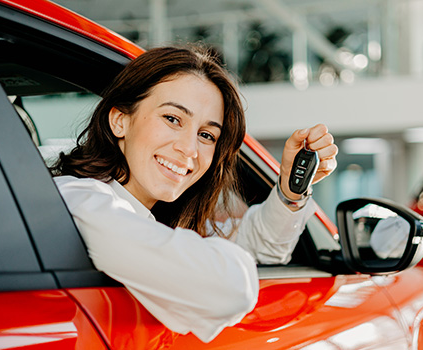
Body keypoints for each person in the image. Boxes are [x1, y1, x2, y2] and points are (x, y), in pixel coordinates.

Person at [51, 45, 338, 343]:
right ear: (120, 120)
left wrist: (292, 191)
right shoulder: (77, 199)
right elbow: (228, 288)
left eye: (206, 135)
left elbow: (257, 250)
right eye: (173, 119)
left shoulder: (149, 217)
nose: (189, 150)